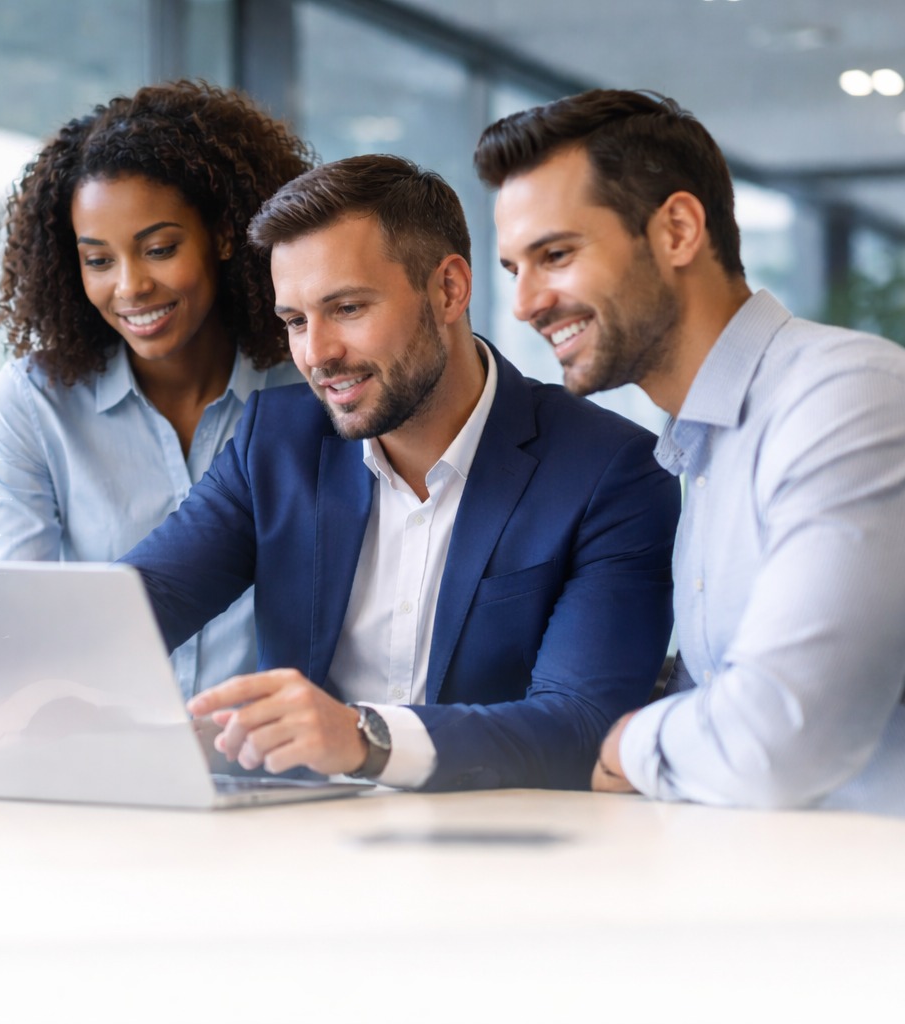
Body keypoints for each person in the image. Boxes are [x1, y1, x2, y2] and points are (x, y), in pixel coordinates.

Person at [121, 155, 681, 791]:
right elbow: (143, 599)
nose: (316, 354)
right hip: (290, 846)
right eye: (296, 322)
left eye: (348, 308)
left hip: (496, 851)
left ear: (448, 289)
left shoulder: (613, 472)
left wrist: (364, 738)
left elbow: (583, 725)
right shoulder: (274, 442)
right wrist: (35, 685)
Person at [479, 89, 905, 811]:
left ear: (677, 230)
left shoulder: (843, 397)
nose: (525, 305)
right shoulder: (698, 447)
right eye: (514, 269)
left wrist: (627, 741)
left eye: (555, 254)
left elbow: (777, 739)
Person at [0, 81, 311, 700]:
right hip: (99, 754)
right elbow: (16, 616)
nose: (130, 287)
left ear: (224, 234)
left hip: (279, 764)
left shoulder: (310, 390)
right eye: (98, 260)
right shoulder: (34, 403)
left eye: (159, 249)